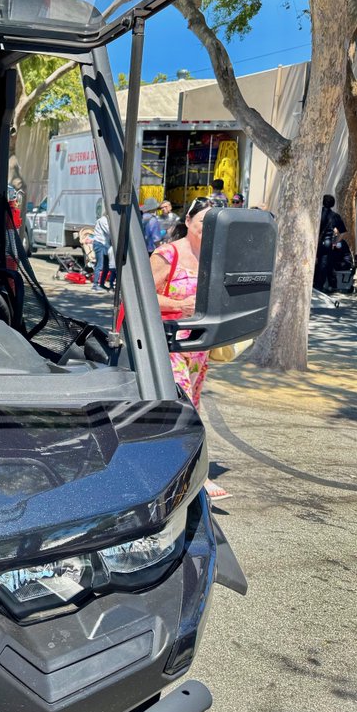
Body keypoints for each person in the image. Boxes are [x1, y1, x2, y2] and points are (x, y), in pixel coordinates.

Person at [150, 197, 228, 500]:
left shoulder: (212, 257)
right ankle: (197, 475)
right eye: (202, 222)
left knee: (189, 405)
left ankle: (168, 469)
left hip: (199, 345)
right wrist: (179, 304)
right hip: (169, 342)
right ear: (187, 222)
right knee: (187, 409)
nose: (207, 229)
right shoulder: (167, 254)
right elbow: (143, 295)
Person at [313, 194, 348, 293]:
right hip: (327, 243)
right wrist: (335, 241)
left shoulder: (316, 212)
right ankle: (318, 286)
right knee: (323, 265)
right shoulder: (335, 216)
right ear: (333, 204)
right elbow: (343, 232)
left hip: (314, 241)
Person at [90, 211, 114, 290]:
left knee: (106, 267)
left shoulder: (106, 220)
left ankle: (101, 284)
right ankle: (95, 285)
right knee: (99, 265)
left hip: (105, 245)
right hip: (100, 244)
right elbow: (109, 232)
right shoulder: (103, 220)